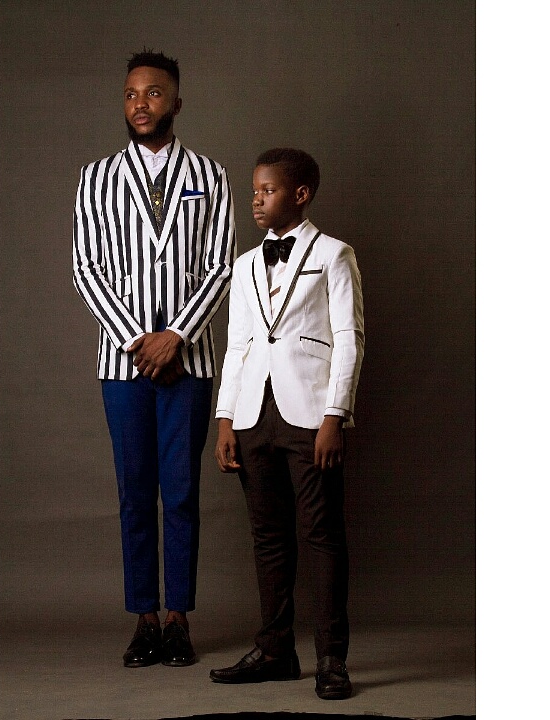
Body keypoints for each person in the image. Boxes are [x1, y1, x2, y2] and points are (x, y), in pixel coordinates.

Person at [72, 50, 236, 668]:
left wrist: (177, 337)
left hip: (188, 364)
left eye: (153, 93)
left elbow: (221, 267)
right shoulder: (96, 178)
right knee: (135, 493)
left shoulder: (211, 175)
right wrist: (142, 341)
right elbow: (85, 268)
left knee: (182, 492)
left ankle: (178, 620)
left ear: (177, 102)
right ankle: (143, 618)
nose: (140, 104)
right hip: (124, 365)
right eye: (131, 94)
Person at [210, 148, 364, 699]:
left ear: (300, 195)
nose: (256, 199)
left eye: (268, 190)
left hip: (310, 415)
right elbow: (238, 346)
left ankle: (331, 659)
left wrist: (335, 416)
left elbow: (349, 338)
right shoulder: (246, 264)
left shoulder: (334, 254)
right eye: (254, 190)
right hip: (254, 415)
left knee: (322, 536)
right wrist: (226, 418)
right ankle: (276, 650)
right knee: (268, 537)